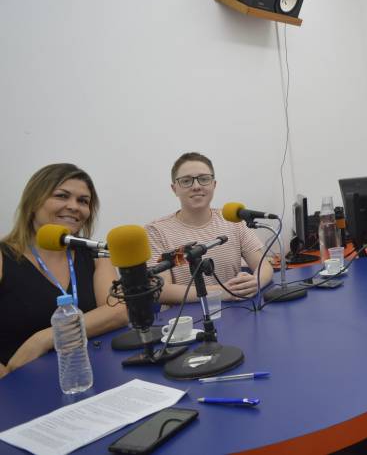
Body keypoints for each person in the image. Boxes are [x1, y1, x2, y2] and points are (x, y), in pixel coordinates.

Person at [0, 163, 128, 378]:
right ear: (33, 202)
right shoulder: (4, 257)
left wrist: (44, 339)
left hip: (89, 374)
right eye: (61, 196)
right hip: (18, 382)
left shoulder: (95, 254)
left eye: (83, 201)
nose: (74, 206)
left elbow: (118, 311)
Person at [145, 152, 273, 304]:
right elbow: (160, 290)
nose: (196, 186)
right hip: (185, 317)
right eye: (186, 181)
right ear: (174, 189)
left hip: (236, 310)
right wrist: (222, 292)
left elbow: (264, 266)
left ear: (214, 184)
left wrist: (255, 282)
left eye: (204, 179)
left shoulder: (233, 220)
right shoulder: (156, 231)